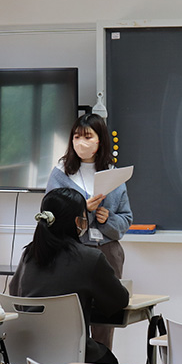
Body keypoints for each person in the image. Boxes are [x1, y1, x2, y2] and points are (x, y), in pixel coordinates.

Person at [10, 187, 129, 364]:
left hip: (27, 353)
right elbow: (119, 301)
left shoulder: (29, 254)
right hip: (72, 353)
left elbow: (15, 293)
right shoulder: (90, 258)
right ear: (77, 221)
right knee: (109, 362)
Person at [45, 113, 132, 350]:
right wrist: (81, 209)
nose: (81, 142)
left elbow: (127, 219)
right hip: (72, 252)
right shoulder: (61, 173)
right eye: (76, 136)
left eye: (87, 136)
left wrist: (108, 219)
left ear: (100, 140)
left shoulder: (113, 174)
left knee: (106, 317)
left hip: (107, 253)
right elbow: (49, 217)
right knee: (73, 316)